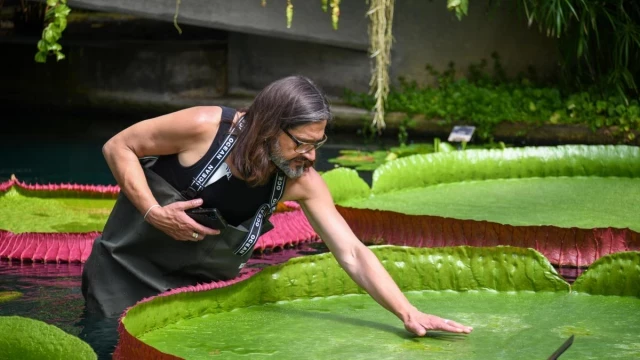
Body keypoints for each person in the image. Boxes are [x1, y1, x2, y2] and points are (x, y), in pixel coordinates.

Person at [81, 75, 473, 341]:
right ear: (268, 127)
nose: (311, 155)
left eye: (317, 142)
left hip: (193, 292)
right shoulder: (205, 126)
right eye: (302, 142)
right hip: (122, 273)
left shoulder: (302, 181)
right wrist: (153, 211)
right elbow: (119, 146)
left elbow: (352, 252)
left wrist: (408, 312)